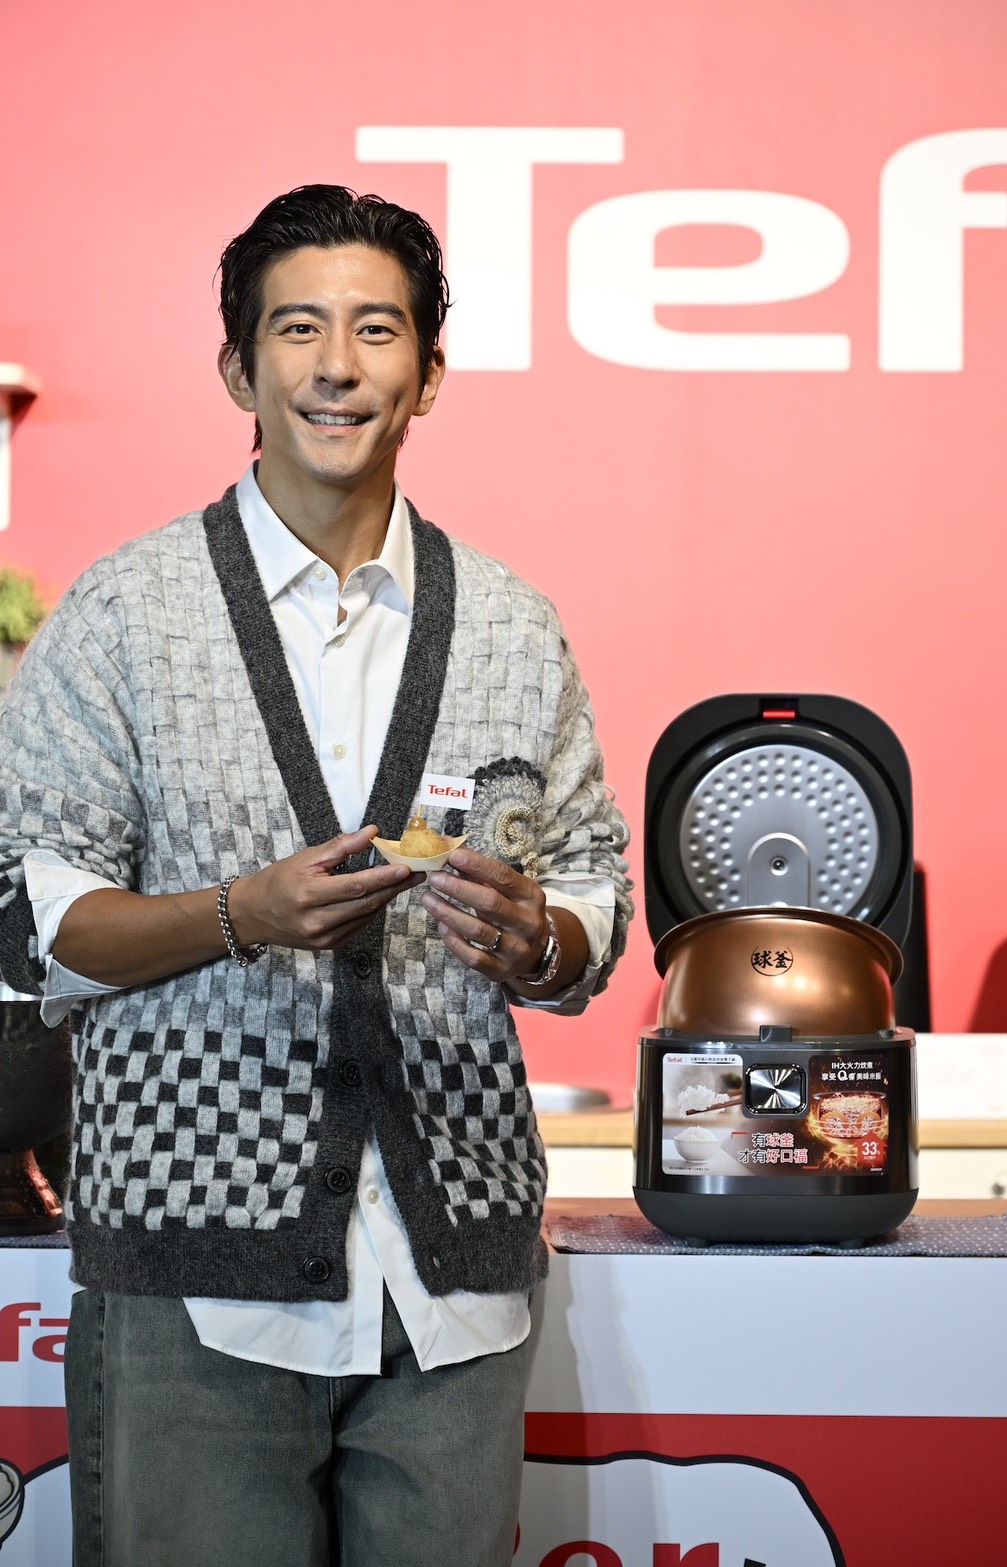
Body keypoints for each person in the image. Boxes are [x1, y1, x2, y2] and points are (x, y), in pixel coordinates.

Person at [0, 185, 632, 1567]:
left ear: (429, 374)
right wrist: (243, 915)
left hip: (453, 1280)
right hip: (193, 1275)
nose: (336, 365)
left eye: (375, 330)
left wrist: (540, 940)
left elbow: (593, 887)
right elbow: (33, 921)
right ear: (240, 369)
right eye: (297, 329)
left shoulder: (513, 627)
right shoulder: (125, 617)